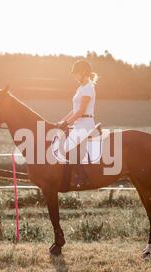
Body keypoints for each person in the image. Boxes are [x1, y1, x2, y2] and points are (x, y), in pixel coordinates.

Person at [57, 59, 98, 188]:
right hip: (79, 124)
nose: (74, 76)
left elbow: (81, 111)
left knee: (67, 147)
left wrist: (67, 122)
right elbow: (74, 110)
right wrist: (62, 121)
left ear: (84, 72)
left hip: (86, 123)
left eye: (76, 73)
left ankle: (82, 177)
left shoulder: (88, 88)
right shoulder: (80, 88)